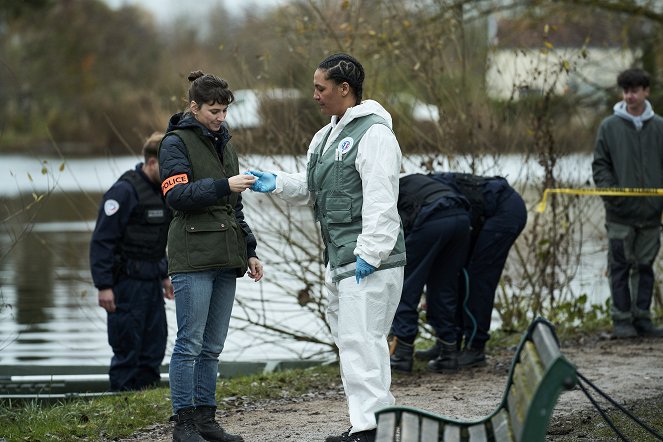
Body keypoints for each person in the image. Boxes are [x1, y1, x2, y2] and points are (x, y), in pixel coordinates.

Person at [248, 53, 406, 442]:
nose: (315, 95)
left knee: (362, 342)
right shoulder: (325, 136)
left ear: (344, 89)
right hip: (338, 261)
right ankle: (370, 421)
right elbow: (314, 188)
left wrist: (369, 255)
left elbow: (381, 201)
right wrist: (278, 183)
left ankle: (370, 428)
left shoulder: (375, 134)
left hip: (369, 262)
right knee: (356, 343)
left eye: (321, 88)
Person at [159, 70, 263, 442]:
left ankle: (206, 420)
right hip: (191, 255)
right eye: (214, 111)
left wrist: (250, 250)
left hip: (226, 255)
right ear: (194, 107)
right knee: (190, 343)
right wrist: (223, 184)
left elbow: (233, 208)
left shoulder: (226, 143)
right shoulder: (174, 143)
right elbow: (176, 196)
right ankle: (183, 424)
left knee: (213, 347)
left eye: (225, 112)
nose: (221, 118)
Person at [89, 131, 174, 392]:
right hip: (125, 285)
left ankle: (145, 407)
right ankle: (122, 408)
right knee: (127, 350)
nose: (172, 172)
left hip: (152, 284)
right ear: (151, 163)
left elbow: (158, 242)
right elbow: (102, 241)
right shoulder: (123, 192)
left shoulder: (165, 192)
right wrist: (104, 286)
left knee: (154, 348)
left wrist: (165, 275)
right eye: (167, 166)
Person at [416, 172, 527, 367]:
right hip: (480, 214)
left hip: (505, 210)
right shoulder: (420, 190)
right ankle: (449, 343)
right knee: (456, 274)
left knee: (477, 278)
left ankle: (476, 348)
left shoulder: (429, 195)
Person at [592, 67, 663, 339]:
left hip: (651, 214)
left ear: (646, 91)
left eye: (634, 91)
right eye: (625, 91)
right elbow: (600, 165)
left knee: (644, 267)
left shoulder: (659, 127)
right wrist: (612, 194)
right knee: (620, 267)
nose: (629, 96)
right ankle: (622, 320)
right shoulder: (609, 126)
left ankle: (642, 318)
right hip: (620, 214)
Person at [389, 173, 471, 374]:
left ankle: (402, 354)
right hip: (461, 217)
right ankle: (449, 352)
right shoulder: (414, 179)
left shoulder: (384, 188)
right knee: (444, 285)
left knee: (405, 284)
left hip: (431, 217)